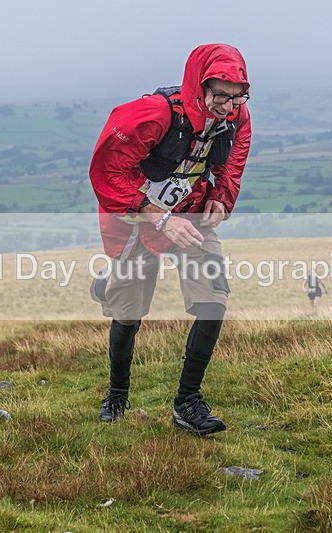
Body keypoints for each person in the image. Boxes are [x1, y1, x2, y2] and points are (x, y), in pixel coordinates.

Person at [89, 43, 251, 435]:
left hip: (191, 215)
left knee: (213, 299)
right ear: (199, 85)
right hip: (134, 219)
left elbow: (233, 158)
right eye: (219, 96)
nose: (227, 107)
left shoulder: (236, 117)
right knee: (128, 312)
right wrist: (158, 218)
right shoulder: (154, 115)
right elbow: (107, 172)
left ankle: (188, 402)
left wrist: (220, 196)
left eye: (237, 97)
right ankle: (117, 391)